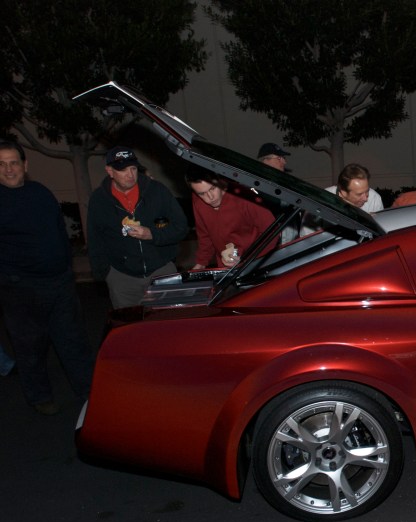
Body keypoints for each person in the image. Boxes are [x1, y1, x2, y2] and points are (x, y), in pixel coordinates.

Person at [0, 139, 93, 414]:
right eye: (2, 164)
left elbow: (59, 232)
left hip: (60, 283)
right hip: (20, 289)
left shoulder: (40, 192)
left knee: (73, 342)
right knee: (30, 348)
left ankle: (89, 392)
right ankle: (40, 398)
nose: (8, 169)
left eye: (13, 162)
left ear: (24, 165)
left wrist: (66, 267)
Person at [87, 146, 189, 309]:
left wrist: (152, 234)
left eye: (133, 168)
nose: (130, 174)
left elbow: (181, 227)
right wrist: (105, 274)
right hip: (122, 278)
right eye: (123, 170)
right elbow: (95, 239)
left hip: (161, 271)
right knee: (130, 328)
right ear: (110, 171)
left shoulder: (156, 190)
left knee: (168, 325)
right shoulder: (99, 200)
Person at [186, 167, 275, 269]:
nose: (210, 197)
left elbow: (272, 231)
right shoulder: (197, 199)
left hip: (256, 264)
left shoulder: (244, 197)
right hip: (225, 267)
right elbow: (204, 234)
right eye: (202, 194)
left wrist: (247, 260)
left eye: (212, 188)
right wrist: (201, 262)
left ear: (220, 181)